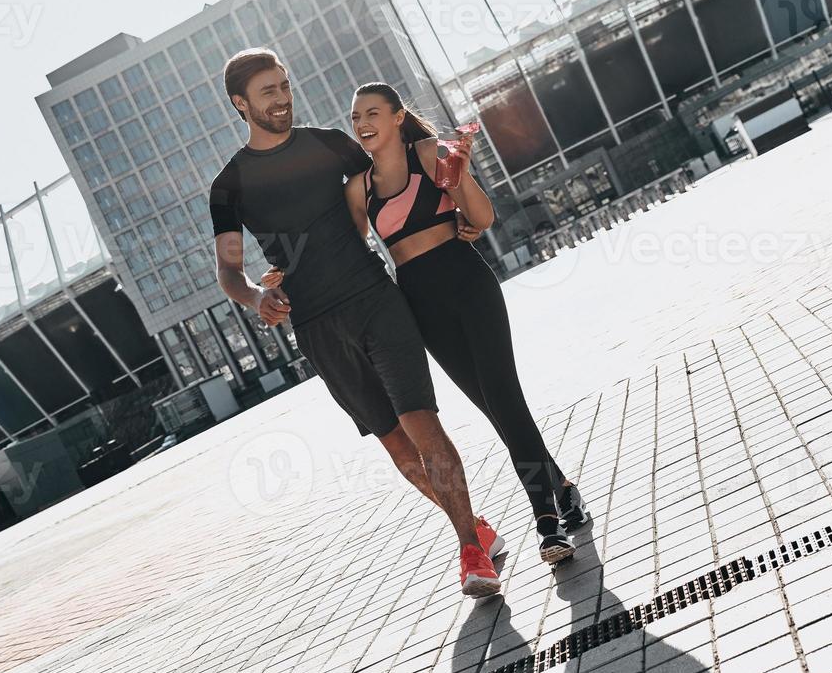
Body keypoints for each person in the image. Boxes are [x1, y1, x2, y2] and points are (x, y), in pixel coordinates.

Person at [209, 48, 504, 597]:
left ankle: (470, 552)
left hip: (375, 299)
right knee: (396, 447)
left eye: (284, 85)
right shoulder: (229, 187)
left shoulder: (328, 144)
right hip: (317, 327)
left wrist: (451, 213)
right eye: (268, 91)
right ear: (240, 103)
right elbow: (229, 269)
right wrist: (254, 297)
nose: (282, 98)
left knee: (421, 424)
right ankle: (475, 528)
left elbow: (393, 171)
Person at [264, 82, 587, 564]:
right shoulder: (360, 188)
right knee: (491, 405)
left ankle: (546, 520)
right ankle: (561, 488)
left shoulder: (430, 152)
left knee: (504, 396)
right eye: (355, 118)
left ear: (396, 117)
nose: (361, 124)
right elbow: (345, 250)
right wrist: (290, 270)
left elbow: (482, 216)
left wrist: (457, 178)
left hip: (468, 282)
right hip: (419, 302)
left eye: (371, 113)